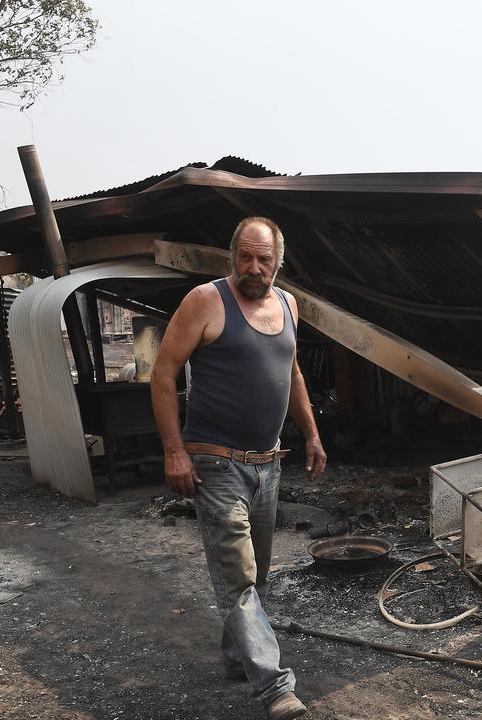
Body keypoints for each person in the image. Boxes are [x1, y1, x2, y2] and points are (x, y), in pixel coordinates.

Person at [151, 216, 327, 720]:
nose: (254, 267)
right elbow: (163, 375)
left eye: (264, 258)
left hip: (269, 464)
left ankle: (237, 659)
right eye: (245, 257)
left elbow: (291, 373)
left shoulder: (289, 305)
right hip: (216, 464)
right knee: (239, 577)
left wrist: (311, 434)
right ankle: (274, 687)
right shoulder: (206, 302)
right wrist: (174, 450)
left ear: (278, 260)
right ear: (232, 257)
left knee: (258, 576)